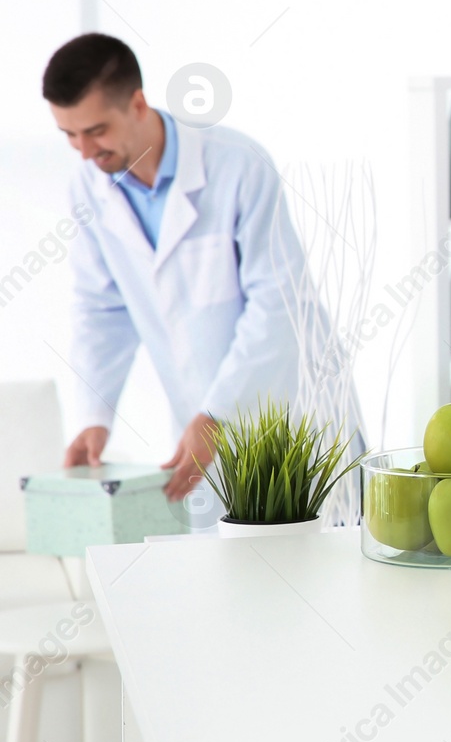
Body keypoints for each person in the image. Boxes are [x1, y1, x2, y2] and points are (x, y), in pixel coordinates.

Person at [46, 33, 305, 503]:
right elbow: (101, 309)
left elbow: (278, 302)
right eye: (69, 135)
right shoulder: (90, 185)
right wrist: (94, 415)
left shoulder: (237, 165)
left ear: (138, 104)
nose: (83, 151)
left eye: (96, 130)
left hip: (287, 413)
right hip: (195, 424)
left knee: (307, 558)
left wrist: (221, 414)